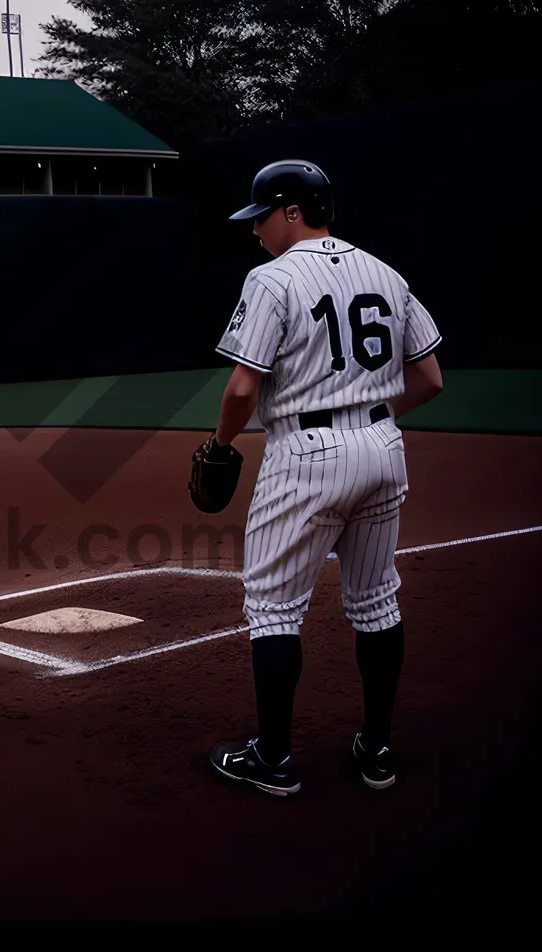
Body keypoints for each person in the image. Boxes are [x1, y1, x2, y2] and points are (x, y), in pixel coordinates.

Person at [206, 160, 444, 796]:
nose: (255, 230)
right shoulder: (385, 273)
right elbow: (430, 379)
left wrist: (221, 442)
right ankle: (376, 750)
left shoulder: (272, 279)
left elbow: (241, 385)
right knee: (376, 600)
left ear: (291, 211)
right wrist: (368, 422)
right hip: (383, 445)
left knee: (273, 609)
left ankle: (274, 759)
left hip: (305, 455)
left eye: (262, 216)